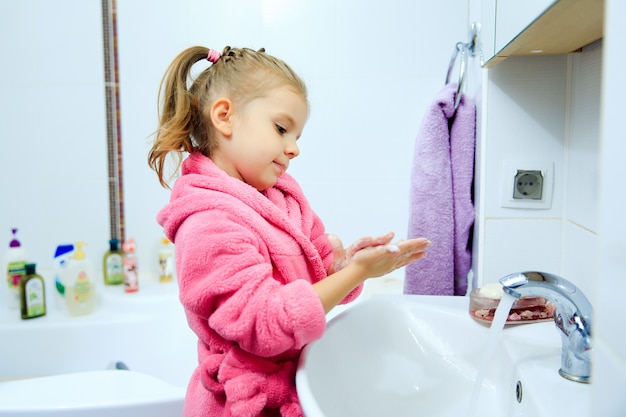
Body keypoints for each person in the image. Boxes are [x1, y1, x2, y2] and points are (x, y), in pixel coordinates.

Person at [148, 45, 431, 417]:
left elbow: (311, 275)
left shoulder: (281, 198)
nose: (294, 148)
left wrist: (348, 265)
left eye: (297, 135)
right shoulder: (208, 223)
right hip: (242, 404)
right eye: (281, 128)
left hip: (293, 384)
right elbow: (266, 324)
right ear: (224, 117)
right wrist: (360, 274)